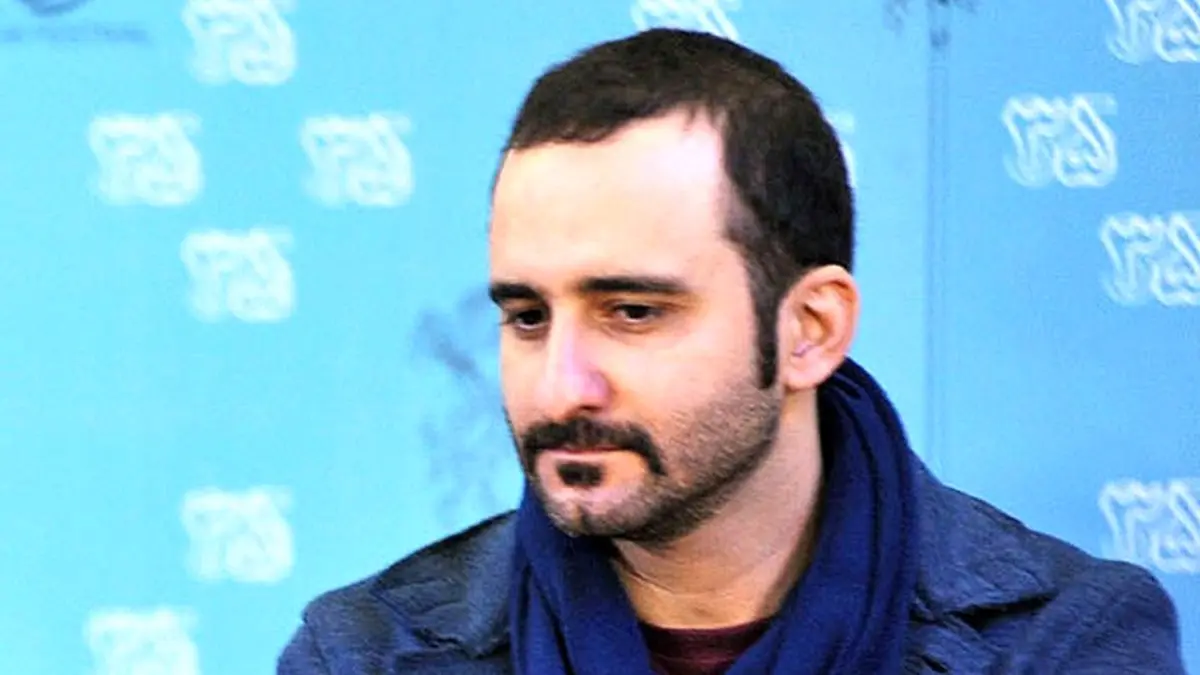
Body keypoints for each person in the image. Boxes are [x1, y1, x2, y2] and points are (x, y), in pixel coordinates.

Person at [277, 28, 1185, 675]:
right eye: (527, 316)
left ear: (810, 329)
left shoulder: (1061, 642)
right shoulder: (365, 652)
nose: (561, 386)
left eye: (633, 312)